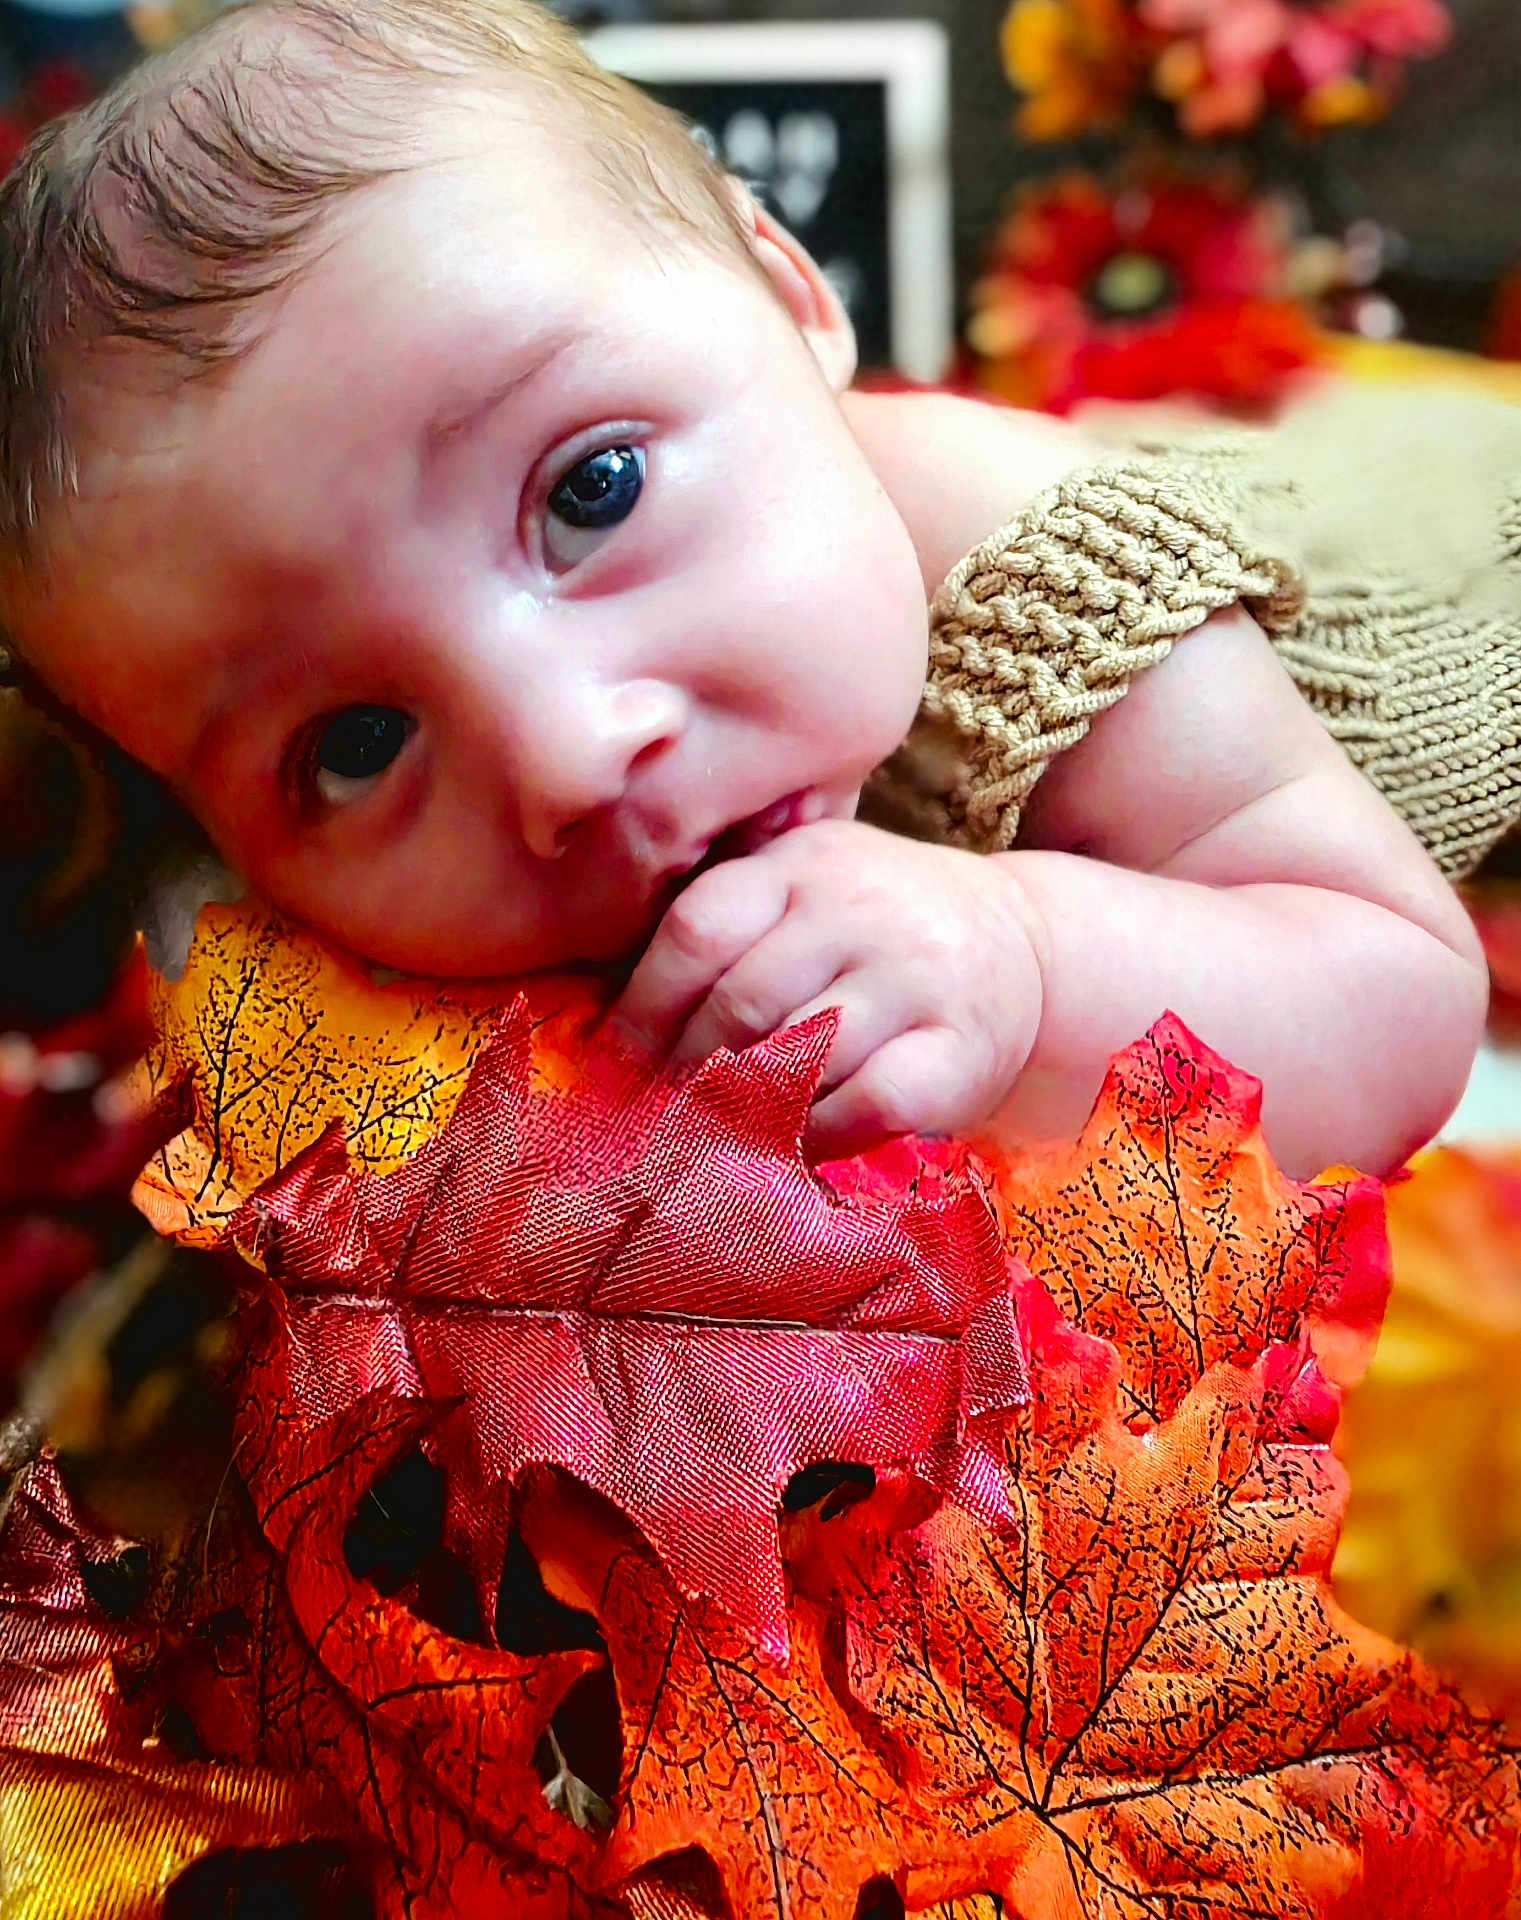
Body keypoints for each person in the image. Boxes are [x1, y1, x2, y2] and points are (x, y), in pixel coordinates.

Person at [0, 0, 1512, 1183]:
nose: (563, 756)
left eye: (591, 492)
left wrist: (1024, 964)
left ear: (790, 297)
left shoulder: (1052, 583)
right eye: (354, 744)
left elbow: (1397, 1007)